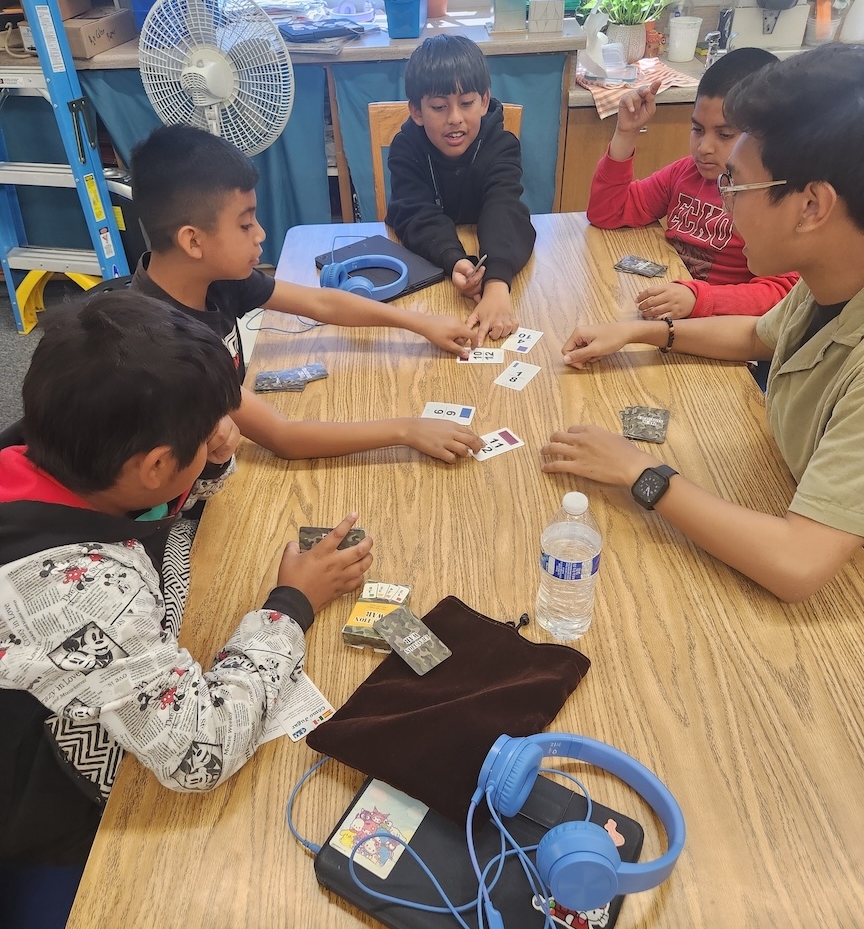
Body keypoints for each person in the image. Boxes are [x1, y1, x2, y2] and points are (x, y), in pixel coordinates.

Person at [0, 292, 374, 864]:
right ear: (153, 465)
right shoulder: (83, 591)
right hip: (34, 788)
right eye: (205, 436)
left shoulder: (52, 445)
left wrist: (208, 458)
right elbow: (202, 753)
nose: (221, 436)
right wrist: (293, 605)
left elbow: (146, 503)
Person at [541, 43, 864, 603]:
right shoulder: (829, 280)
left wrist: (641, 471)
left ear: (811, 206)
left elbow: (798, 563)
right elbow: (755, 336)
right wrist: (638, 332)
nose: (726, 200)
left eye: (737, 184)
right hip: (779, 493)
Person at [130, 125, 484, 464]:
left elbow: (320, 302)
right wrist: (407, 429)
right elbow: (284, 437)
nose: (261, 234)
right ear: (193, 241)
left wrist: (421, 323)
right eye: (245, 224)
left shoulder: (211, 275)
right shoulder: (167, 347)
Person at [587, 47, 799, 319]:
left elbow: (782, 295)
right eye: (697, 129)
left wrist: (700, 298)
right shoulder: (685, 173)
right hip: (669, 308)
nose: (704, 148)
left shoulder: (775, 198)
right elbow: (607, 213)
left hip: (721, 329)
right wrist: (625, 133)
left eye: (724, 135)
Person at [385, 35, 536, 344]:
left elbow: (504, 207)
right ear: (416, 111)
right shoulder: (405, 149)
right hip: (432, 275)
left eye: (466, 103)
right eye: (439, 107)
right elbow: (414, 214)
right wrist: (454, 259)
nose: (455, 118)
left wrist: (497, 282)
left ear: (483, 101)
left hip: (492, 261)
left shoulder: (502, 146)